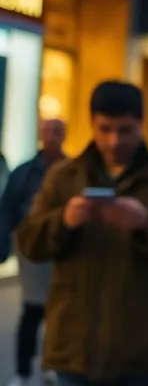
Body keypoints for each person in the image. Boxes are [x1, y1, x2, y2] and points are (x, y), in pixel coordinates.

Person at [17, 82, 148, 386]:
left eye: (125, 130)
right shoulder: (65, 176)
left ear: (141, 125)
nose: (113, 140)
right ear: (91, 123)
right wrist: (63, 221)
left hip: (142, 352)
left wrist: (146, 223)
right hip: (74, 348)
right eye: (104, 129)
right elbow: (28, 241)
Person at [0, 119, 66, 386]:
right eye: (49, 132)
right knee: (34, 307)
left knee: (59, 310)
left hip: (62, 247)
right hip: (31, 247)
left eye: (58, 132)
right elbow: (7, 209)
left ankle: (51, 363)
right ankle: (24, 369)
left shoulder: (69, 170)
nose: (52, 138)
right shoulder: (25, 172)